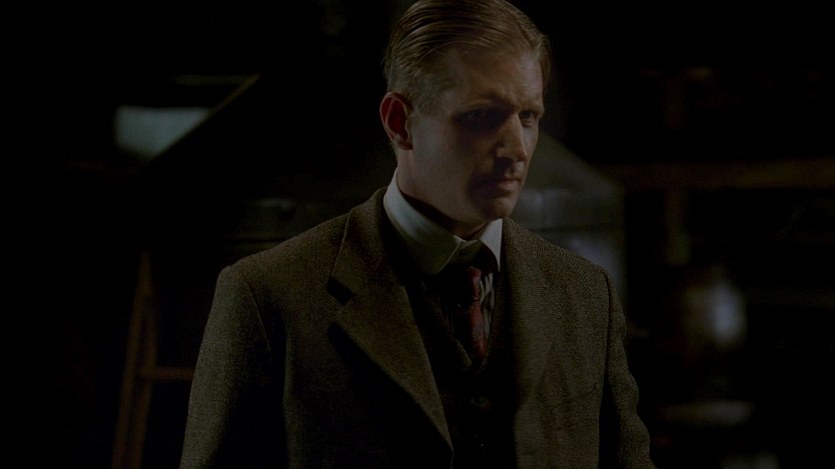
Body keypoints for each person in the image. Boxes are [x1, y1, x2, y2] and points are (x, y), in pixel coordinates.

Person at [179, 0, 657, 467]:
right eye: (482, 116)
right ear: (399, 122)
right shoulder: (270, 297)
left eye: (528, 117)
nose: (516, 148)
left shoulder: (584, 295)